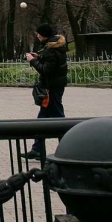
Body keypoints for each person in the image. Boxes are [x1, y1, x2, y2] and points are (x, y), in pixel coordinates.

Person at [22, 23, 69, 161]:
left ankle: (68, 146)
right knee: (42, 119)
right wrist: (39, 57)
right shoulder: (55, 46)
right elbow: (52, 63)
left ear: (44, 35)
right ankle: (37, 149)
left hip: (51, 88)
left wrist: (32, 61)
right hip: (55, 86)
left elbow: (46, 70)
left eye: (39, 33)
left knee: (59, 118)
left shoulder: (50, 49)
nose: (37, 35)